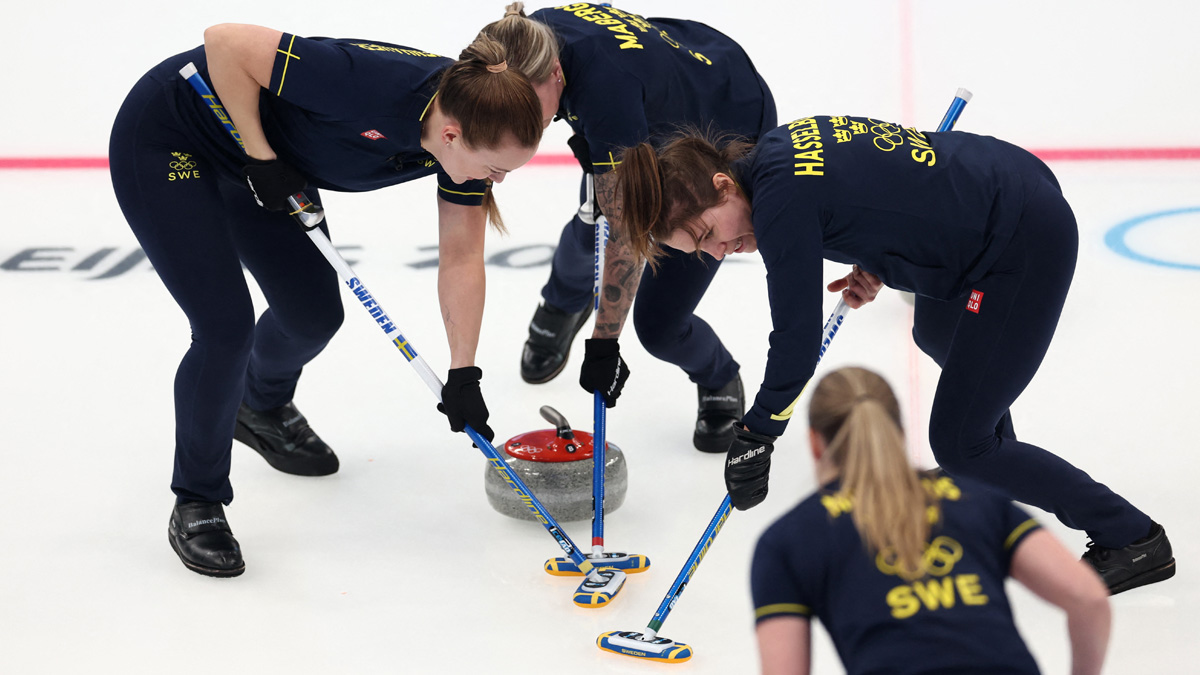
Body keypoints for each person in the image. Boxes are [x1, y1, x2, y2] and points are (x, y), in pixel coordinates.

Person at [613, 118, 1175, 594]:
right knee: (936, 334)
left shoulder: (781, 204)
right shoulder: (775, 160)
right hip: (1001, 192)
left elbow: (795, 338)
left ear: (722, 184)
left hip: (1020, 239)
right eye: (701, 249)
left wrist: (758, 432)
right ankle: (984, 471)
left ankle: (1132, 537)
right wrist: (882, 251)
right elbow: (882, 187)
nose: (718, 251)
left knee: (961, 442)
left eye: (709, 232)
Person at [109, 23, 543, 577]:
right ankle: (198, 500)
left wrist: (464, 373)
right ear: (453, 135)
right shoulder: (367, 85)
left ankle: (259, 408)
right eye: (496, 168)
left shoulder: (462, 137)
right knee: (225, 328)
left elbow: (461, 258)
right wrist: (261, 156)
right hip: (176, 135)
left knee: (312, 313)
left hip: (263, 165)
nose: (498, 182)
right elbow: (226, 42)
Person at [475, 2, 792, 452]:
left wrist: (604, 345)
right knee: (593, 217)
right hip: (652, 101)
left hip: (723, 121)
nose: (525, 129)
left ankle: (718, 374)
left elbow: (627, 237)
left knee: (660, 323)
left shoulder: (606, 94)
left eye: (529, 113)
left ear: (555, 76)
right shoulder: (519, 39)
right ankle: (562, 304)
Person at [751, 367, 1112, 675]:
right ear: (900, 432)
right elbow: (1088, 599)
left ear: (815, 443)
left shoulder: (788, 541)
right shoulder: (977, 501)